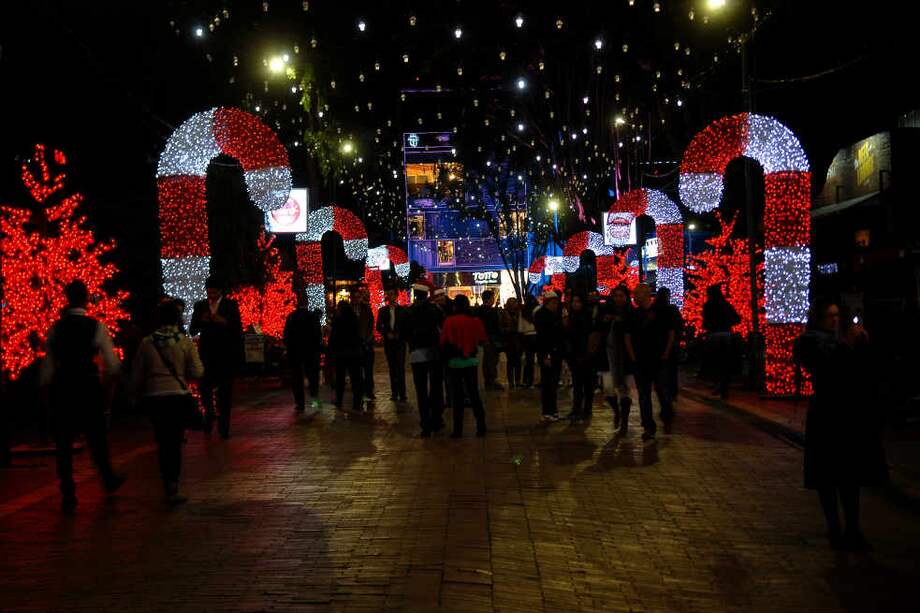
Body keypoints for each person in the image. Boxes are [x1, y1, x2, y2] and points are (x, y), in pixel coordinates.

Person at [794, 299, 887, 551]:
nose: (835, 320)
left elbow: (861, 372)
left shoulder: (839, 342)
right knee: (827, 477)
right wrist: (848, 345)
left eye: (837, 316)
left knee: (849, 476)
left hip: (847, 415)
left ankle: (853, 529)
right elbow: (829, 367)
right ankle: (835, 528)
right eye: (830, 316)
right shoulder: (812, 342)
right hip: (827, 414)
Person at [40, 279, 125, 514]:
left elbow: (48, 364)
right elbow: (111, 363)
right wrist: (111, 378)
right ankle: (107, 477)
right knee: (96, 436)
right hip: (88, 384)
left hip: (63, 385)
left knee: (63, 441)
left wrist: (45, 385)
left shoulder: (56, 328)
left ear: (67, 299)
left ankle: (68, 491)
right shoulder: (96, 326)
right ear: (86, 299)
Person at [131, 300, 204, 504]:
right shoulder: (183, 341)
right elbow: (198, 371)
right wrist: (183, 374)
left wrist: (134, 393)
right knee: (175, 441)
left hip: (155, 397)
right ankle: (173, 485)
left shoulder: (147, 342)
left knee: (162, 440)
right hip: (177, 395)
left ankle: (166, 481)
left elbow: (137, 374)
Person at [190, 277, 243, 439]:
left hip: (225, 356)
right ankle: (209, 416)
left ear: (221, 291)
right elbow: (192, 329)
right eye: (209, 292)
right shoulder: (200, 306)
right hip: (206, 355)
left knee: (225, 393)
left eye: (214, 292)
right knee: (205, 390)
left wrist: (223, 321)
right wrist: (201, 321)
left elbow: (237, 329)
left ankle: (224, 427)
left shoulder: (230, 305)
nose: (211, 296)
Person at [625, 284, 675, 441]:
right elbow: (627, 336)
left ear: (646, 294)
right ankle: (648, 426)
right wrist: (633, 357)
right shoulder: (633, 314)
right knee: (644, 395)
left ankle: (667, 416)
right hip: (641, 360)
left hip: (658, 359)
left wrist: (666, 353)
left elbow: (671, 333)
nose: (634, 297)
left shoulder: (661, 311)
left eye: (637, 293)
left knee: (663, 392)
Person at [441, 295, 488, 437]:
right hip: (471, 362)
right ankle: (481, 426)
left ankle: (458, 430)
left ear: (455, 306)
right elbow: (482, 340)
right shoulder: (475, 321)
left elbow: (444, 341)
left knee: (457, 396)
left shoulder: (449, 321)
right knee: (474, 394)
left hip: (454, 363)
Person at [403, 283, 445, 436]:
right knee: (436, 387)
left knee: (421, 390)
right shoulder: (435, 310)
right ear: (427, 295)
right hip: (434, 352)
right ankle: (437, 419)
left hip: (416, 353)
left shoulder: (409, 311)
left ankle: (425, 424)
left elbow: (405, 332)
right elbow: (442, 327)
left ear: (415, 295)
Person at [601, 285, 634, 435]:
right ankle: (617, 412)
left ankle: (624, 422)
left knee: (624, 390)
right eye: (616, 295)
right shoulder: (607, 311)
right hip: (608, 356)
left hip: (624, 359)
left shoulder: (630, 313)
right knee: (608, 390)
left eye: (621, 296)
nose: (618, 298)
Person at [283, 296, 323, 411]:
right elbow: (318, 335)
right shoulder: (312, 317)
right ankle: (314, 398)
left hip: (295, 351)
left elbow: (286, 334)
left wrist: (289, 347)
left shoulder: (292, 316)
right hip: (310, 351)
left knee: (297, 377)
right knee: (312, 375)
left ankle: (300, 402)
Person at [702, 284, 740, 399]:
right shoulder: (726, 304)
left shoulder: (708, 305)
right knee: (726, 361)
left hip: (713, 334)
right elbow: (737, 319)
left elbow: (705, 322)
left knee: (715, 361)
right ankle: (724, 388)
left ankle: (718, 384)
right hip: (726, 334)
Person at [565, 295, 599, 421]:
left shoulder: (588, 316)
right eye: (573, 301)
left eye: (578, 301)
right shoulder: (572, 316)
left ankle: (586, 409)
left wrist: (587, 352)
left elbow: (591, 335)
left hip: (586, 354)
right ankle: (577, 408)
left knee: (587, 383)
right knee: (578, 383)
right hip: (575, 354)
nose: (575, 304)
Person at [328, 300, 365, 412]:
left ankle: (339, 401)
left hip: (341, 354)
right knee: (355, 379)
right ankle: (356, 402)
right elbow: (359, 336)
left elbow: (333, 338)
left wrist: (331, 350)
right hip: (354, 353)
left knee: (340, 379)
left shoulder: (338, 320)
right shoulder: (354, 319)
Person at [534, 291, 565, 423]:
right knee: (548, 383)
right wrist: (545, 355)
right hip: (548, 352)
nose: (555, 305)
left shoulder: (554, 314)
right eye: (553, 303)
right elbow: (543, 337)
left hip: (555, 352)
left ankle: (552, 410)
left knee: (553, 382)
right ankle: (548, 411)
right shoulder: (542, 315)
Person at [376, 288, 408, 402]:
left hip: (399, 342)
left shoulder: (402, 310)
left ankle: (402, 393)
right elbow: (378, 326)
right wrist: (386, 333)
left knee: (400, 367)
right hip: (389, 343)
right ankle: (394, 393)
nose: (390, 296)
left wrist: (400, 334)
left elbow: (406, 325)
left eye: (392, 294)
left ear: (396, 296)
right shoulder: (383, 310)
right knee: (392, 367)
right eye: (389, 294)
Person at [655, 287, 684, 402]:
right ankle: (672, 392)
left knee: (660, 370)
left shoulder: (654, 309)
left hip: (658, 343)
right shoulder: (672, 309)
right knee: (672, 370)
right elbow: (679, 325)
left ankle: (663, 392)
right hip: (672, 344)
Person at [475, 289, 503, 390]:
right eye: (492, 298)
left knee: (488, 360)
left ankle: (489, 380)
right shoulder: (490, 311)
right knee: (491, 359)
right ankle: (491, 380)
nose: (493, 300)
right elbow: (495, 325)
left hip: (485, 337)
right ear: (489, 299)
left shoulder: (479, 310)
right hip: (491, 338)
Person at [353, 288, 376, 400]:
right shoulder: (349, 310)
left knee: (368, 370)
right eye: (355, 297)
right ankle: (359, 391)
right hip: (355, 345)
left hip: (366, 343)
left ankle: (369, 390)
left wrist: (368, 339)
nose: (357, 299)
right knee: (357, 371)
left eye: (358, 297)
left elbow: (371, 325)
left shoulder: (366, 309)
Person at [500, 297, 523, 388]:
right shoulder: (504, 313)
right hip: (509, 339)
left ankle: (517, 380)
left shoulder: (519, 313)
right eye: (512, 303)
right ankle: (511, 381)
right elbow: (502, 326)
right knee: (510, 361)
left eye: (514, 303)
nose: (513, 305)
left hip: (518, 339)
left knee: (518, 361)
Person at [519, 294, 539, 387]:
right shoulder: (538, 309)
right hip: (537, 335)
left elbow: (520, 327)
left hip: (527, 336)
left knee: (529, 360)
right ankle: (540, 379)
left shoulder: (523, 311)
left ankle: (528, 381)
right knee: (540, 358)